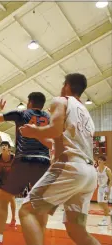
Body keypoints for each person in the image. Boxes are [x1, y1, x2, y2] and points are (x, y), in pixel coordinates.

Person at [19, 73, 101, 245]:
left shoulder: (61, 100)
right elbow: (57, 140)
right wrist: (38, 133)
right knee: (76, 230)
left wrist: (33, 131)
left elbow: (55, 130)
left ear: (67, 86)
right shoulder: (86, 114)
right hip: (89, 173)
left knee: (27, 211)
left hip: (71, 167)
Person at [0, 92, 52, 245]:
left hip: (23, 160)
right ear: (42, 104)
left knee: (3, 200)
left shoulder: (21, 113)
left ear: (29, 102)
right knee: (40, 206)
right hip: (43, 161)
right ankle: (40, 239)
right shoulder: (49, 117)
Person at [96, 156, 112, 226]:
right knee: (99, 203)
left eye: (101, 160)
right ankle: (109, 211)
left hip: (106, 188)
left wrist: (108, 188)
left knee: (105, 204)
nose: (99, 161)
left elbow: (111, 179)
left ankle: (105, 221)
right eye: (99, 159)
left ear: (104, 162)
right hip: (100, 188)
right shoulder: (96, 169)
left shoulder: (107, 170)